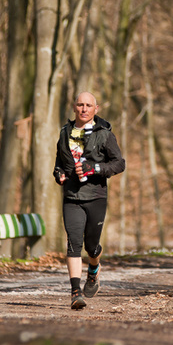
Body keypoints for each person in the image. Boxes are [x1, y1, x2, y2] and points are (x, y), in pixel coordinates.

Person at [53, 92, 126, 310]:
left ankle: (93, 270)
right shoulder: (65, 132)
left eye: (88, 105)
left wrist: (94, 168)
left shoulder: (104, 135)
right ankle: (75, 293)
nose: (84, 109)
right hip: (72, 196)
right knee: (73, 242)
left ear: (96, 109)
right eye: (80, 105)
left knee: (91, 246)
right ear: (74, 107)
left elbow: (119, 164)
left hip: (96, 196)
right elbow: (59, 162)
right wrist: (59, 175)